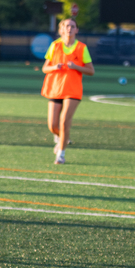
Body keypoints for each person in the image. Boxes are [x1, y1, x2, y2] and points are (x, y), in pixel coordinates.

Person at [41, 19, 95, 164]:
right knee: (53, 125)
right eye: (67, 26)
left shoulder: (81, 48)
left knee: (64, 122)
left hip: (73, 90)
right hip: (56, 88)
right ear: (62, 29)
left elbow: (91, 71)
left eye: (72, 26)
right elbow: (45, 68)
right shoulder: (55, 45)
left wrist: (76, 66)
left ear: (77, 30)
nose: (69, 29)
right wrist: (54, 67)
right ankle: (62, 138)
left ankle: (61, 154)